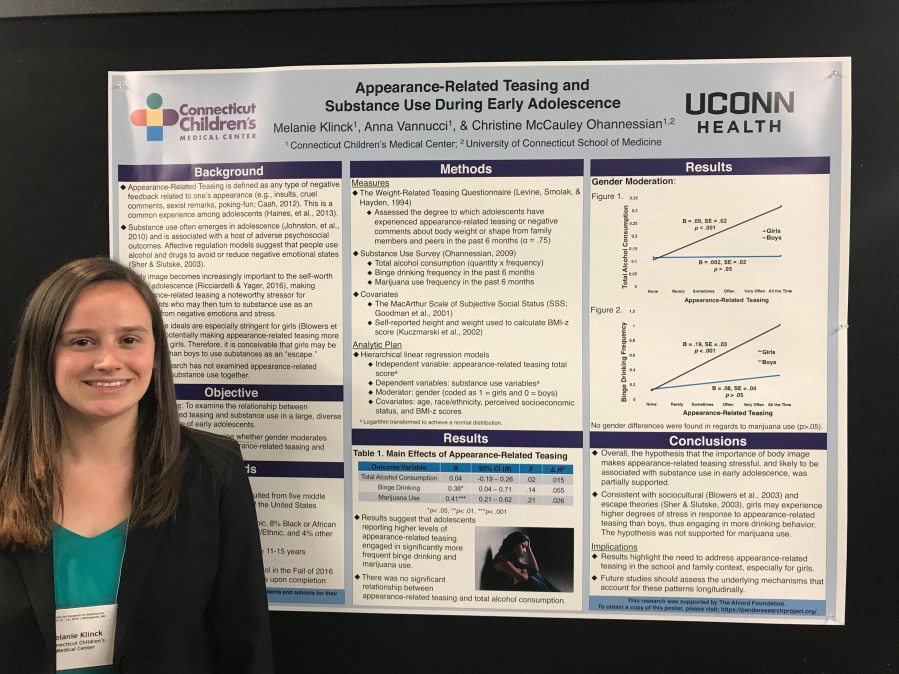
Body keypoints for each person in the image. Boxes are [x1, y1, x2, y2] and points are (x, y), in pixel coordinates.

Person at [0, 257, 274, 673]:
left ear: (155, 352)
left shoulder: (213, 471)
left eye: (129, 339)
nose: (108, 361)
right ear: (42, 352)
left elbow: (242, 640)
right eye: (82, 341)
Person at [492, 531, 561, 592]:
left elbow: (535, 569)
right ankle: (552, 596)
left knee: (535, 574)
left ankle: (556, 593)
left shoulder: (514, 558)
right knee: (530, 580)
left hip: (510, 589)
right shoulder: (502, 560)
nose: (525, 551)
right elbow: (523, 578)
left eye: (526, 548)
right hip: (503, 594)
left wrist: (529, 548)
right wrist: (524, 571)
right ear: (514, 544)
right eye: (523, 546)